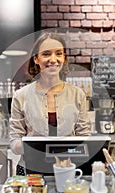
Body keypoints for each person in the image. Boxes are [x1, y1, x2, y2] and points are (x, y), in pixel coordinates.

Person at [9, 32, 91, 175]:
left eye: (58, 54)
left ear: (64, 58)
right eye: (46, 54)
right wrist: (33, 146)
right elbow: (14, 142)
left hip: (68, 167)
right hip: (31, 169)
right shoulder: (20, 96)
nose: (53, 59)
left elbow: (85, 137)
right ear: (36, 59)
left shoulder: (78, 94)